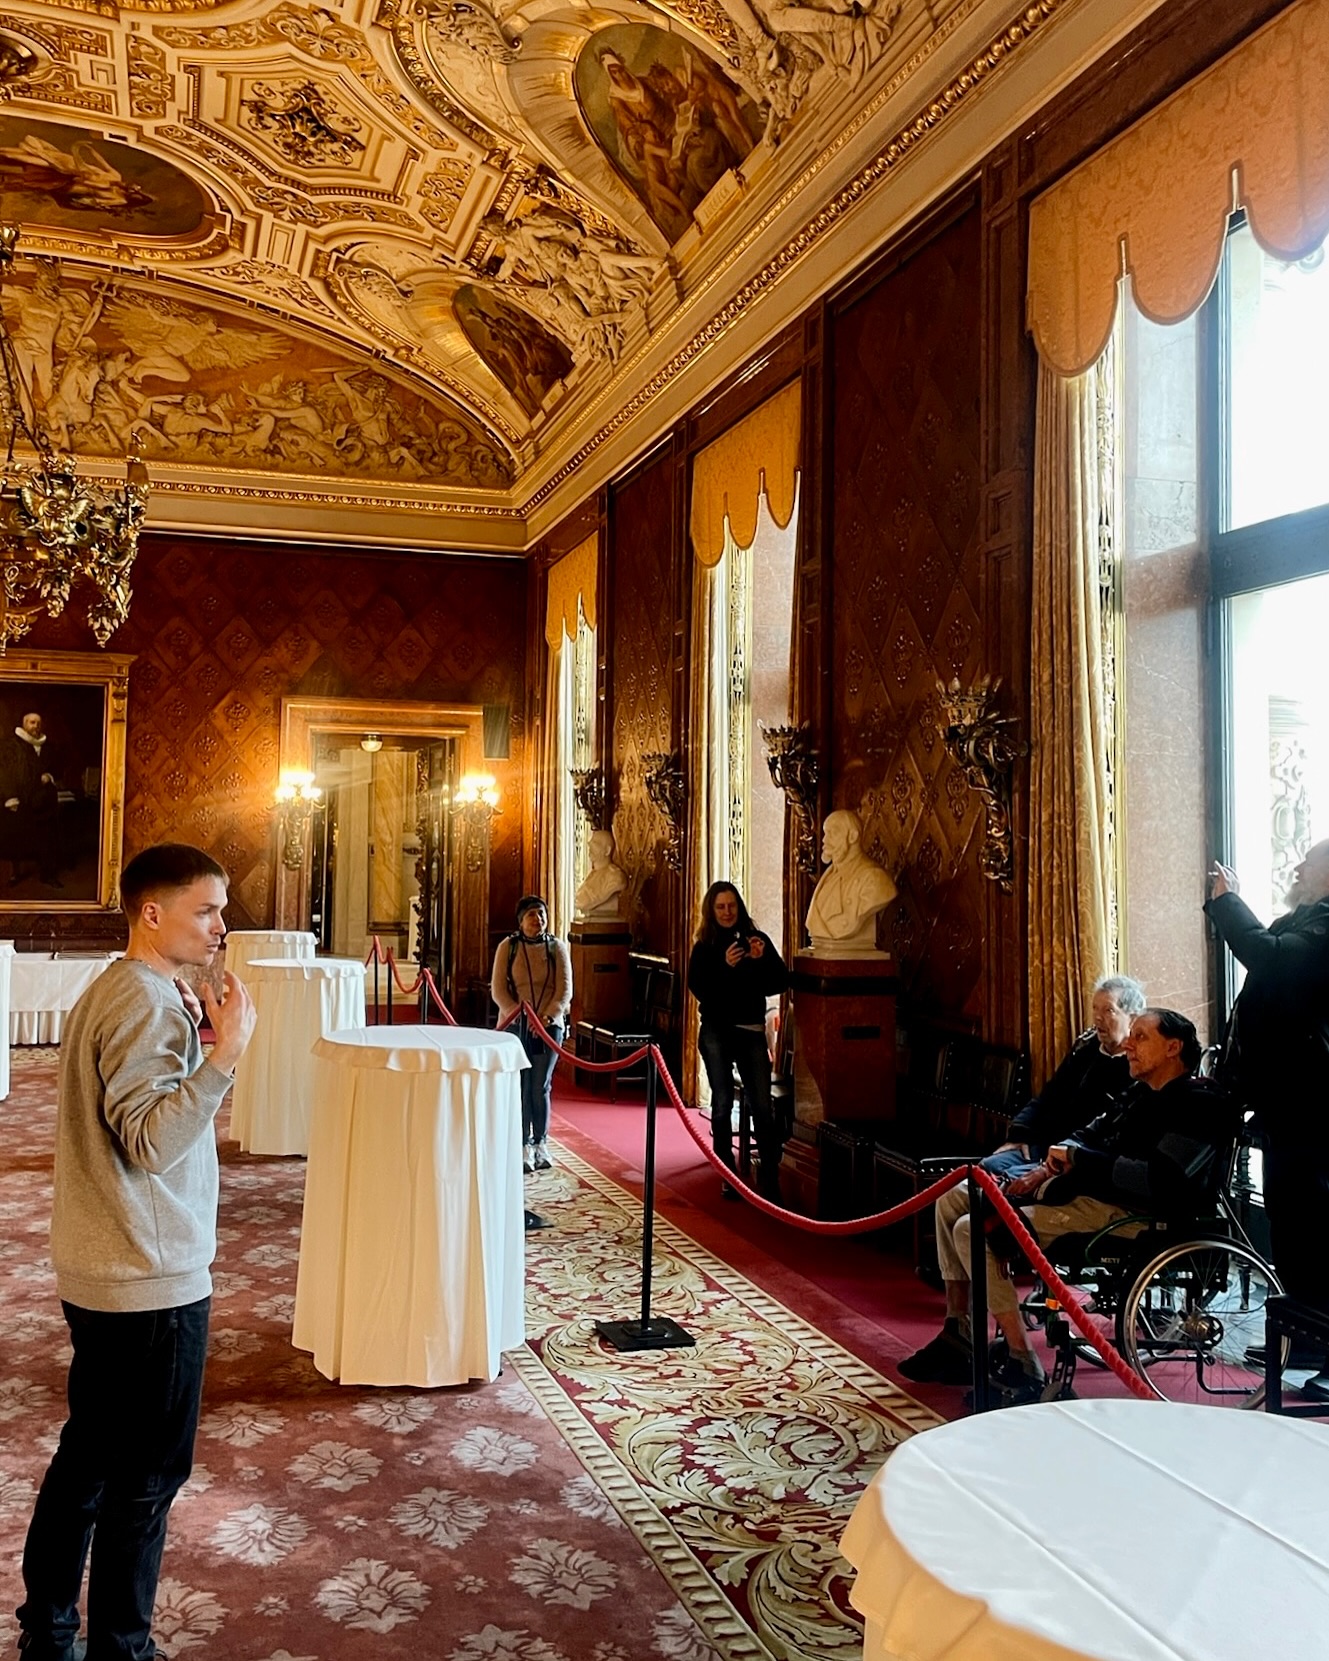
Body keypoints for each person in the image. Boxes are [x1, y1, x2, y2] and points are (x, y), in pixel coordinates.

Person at [16, 843, 257, 1661]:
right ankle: (121, 1648)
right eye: (205, 909)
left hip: (107, 1263)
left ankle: (50, 1632)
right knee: (144, 1481)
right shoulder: (145, 1001)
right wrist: (225, 1054)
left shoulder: (122, 987)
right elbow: (152, 1141)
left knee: (87, 1460)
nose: (221, 925)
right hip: (147, 1277)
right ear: (152, 913)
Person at [902, 1009, 1231, 1401]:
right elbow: (1087, 1134)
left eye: (1140, 1037)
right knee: (954, 1199)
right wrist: (1048, 1167)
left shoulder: (1199, 1105)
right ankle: (959, 1331)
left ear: (1173, 1048)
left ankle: (1023, 1359)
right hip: (1090, 1194)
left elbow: (1159, 1178)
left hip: (1139, 1213)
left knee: (973, 1229)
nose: (1128, 1044)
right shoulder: (1140, 1093)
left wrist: (1079, 1161)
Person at [1206, 840, 1329, 1395]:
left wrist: (1229, 903)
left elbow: (1271, 958)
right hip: (1285, 1105)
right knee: (1290, 1222)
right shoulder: (1300, 918)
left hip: (1318, 1107)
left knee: (1319, 1228)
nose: (1298, 867)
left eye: (1311, 861)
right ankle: (1306, 1335)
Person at [981, 975, 1144, 1184]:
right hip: (1044, 1144)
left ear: (1133, 1018)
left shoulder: (1137, 1067)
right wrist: (1020, 1134)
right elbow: (1047, 1097)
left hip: (1078, 1159)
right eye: (1095, 1008)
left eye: (1108, 1010)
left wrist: (1060, 1160)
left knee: (1000, 1183)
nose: (1097, 1018)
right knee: (988, 1167)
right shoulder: (1085, 1050)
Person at [688, 881, 788, 1201]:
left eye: (731, 905)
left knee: (762, 1105)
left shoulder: (756, 940)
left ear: (739, 907)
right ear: (711, 910)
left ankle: (769, 1176)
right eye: (721, 907)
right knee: (721, 1104)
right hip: (716, 1030)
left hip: (750, 1030)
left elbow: (779, 983)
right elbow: (701, 990)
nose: (727, 912)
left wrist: (761, 960)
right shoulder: (704, 946)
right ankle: (727, 1173)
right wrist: (725, 967)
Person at [491, 895, 572, 1175]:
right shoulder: (508, 947)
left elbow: (564, 990)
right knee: (521, 1085)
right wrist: (519, 1016)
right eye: (531, 915)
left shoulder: (557, 947)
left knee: (540, 1085)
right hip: (516, 1025)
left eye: (541, 914)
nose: (538, 919)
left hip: (549, 1027)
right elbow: (498, 990)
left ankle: (541, 1142)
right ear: (520, 921)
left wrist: (546, 1018)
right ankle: (522, 1143)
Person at [804, 809, 896, 954]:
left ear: (852, 836)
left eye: (833, 833)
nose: (824, 840)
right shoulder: (828, 877)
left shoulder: (875, 879)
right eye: (825, 833)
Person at [1, 711, 65, 887]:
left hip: (44, 799)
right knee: (16, 837)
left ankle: (48, 874)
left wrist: (49, 775)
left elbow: (57, 768)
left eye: (38, 723)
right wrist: (10, 797)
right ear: (24, 725)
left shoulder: (48, 746)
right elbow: (4, 773)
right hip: (21, 798)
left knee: (48, 836)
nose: (35, 726)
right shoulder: (12, 746)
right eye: (31, 722)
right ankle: (15, 873)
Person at [573, 828, 628, 921]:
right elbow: (580, 901)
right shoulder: (591, 875)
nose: (590, 845)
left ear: (607, 850)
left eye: (596, 843)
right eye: (591, 842)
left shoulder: (615, 877)